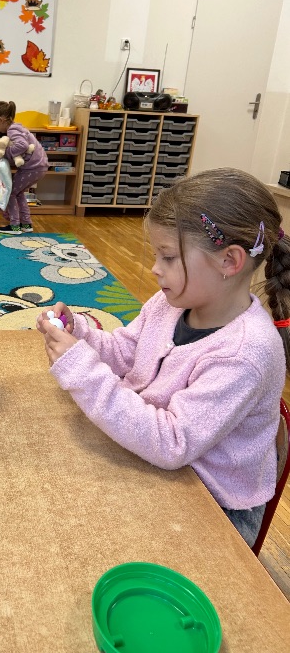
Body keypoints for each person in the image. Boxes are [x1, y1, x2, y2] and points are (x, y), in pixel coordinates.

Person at [37, 168, 290, 548]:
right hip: (161, 464)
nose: (155, 268)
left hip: (215, 505)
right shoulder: (169, 303)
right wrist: (81, 336)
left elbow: (172, 443)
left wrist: (82, 372)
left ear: (230, 261)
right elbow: (125, 352)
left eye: (168, 257)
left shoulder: (245, 353)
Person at [0, 100, 48, 235]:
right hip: (38, 166)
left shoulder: (12, 130)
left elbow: (22, 145)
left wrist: (6, 154)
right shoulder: (18, 128)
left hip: (33, 167)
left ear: (1, 120)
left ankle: (15, 226)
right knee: (18, 193)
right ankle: (26, 224)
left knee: (10, 193)